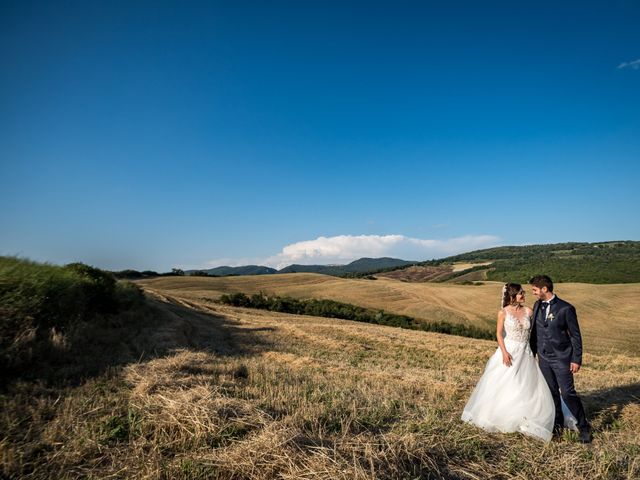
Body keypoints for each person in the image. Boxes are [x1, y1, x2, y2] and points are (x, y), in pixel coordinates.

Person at [461, 283, 559, 442]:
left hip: (525, 353)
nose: (524, 295)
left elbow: (536, 331)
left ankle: (526, 418)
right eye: (521, 293)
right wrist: (505, 352)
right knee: (505, 383)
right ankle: (500, 415)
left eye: (524, 293)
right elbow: (499, 334)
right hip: (509, 351)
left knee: (526, 385)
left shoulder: (528, 311)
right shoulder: (503, 312)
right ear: (512, 295)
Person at [529, 274, 592, 443]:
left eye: (535, 290)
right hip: (543, 358)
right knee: (551, 393)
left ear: (544, 289)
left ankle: (584, 426)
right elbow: (535, 332)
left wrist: (576, 359)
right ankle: (557, 426)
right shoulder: (536, 306)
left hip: (562, 358)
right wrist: (531, 353)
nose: (533, 293)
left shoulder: (566, 308)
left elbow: (575, 337)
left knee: (567, 393)